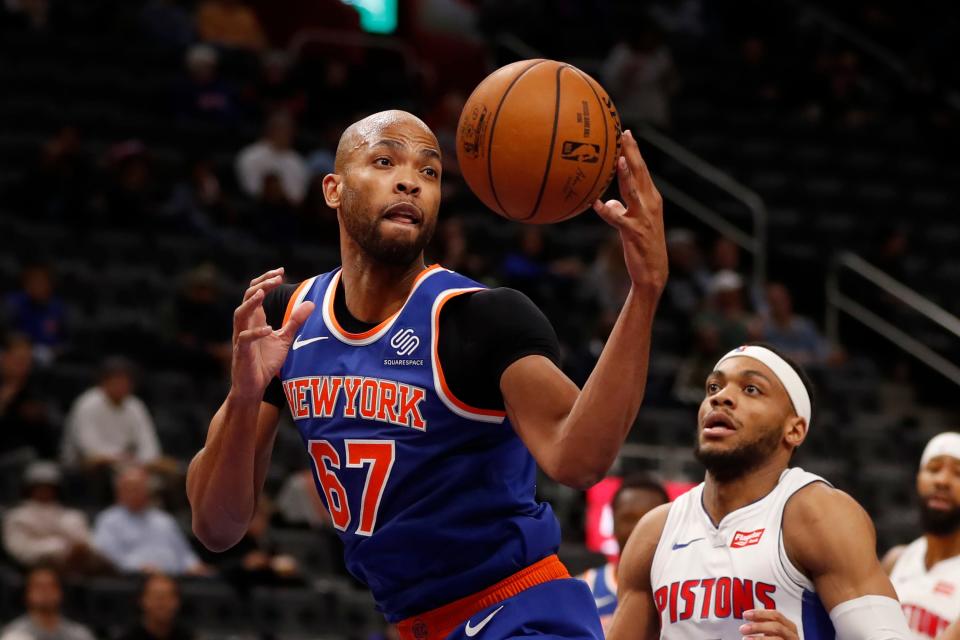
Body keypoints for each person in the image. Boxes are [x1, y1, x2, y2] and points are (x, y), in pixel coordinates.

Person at [187, 110, 668, 640]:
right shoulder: (290, 319)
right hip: (417, 626)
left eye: (430, 171)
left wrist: (643, 292)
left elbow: (579, 460)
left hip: (516, 614)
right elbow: (217, 527)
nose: (410, 180)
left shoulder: (478, 317)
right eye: (385, 160)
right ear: (333, 189)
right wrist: (244, 394)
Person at [608, 343, 911, 640]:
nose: (722, 398)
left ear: (794, 429)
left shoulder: (817, 513)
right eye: (714, 387)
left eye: (751, 389)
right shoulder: (655, 531)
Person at [881, 433, 960, 639]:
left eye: (958, 473)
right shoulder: (896, 560)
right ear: (918, 479)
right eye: (933, 469)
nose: (942, 481)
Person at [579, 475, 669, 632]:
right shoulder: (584, 589)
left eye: (649, 518)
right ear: (612, 523)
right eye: (628, 518)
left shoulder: (686, 590)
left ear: (670, 524)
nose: (639, 528)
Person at [93, 466, 208, 576]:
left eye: (139, 487)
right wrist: (138, 567)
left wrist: (194, 565)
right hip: (133, 580)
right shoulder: (108, 520)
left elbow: (184, 553)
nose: (135, 492)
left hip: (174, 580)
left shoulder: (164, 520)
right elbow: (107, 557)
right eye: (130, 488)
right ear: (119, 491)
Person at [2, 461, 107, 575]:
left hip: (78, 571)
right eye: (39, 487)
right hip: (35, 572)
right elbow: (21, 553)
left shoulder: (72, 516)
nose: (44, 491)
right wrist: (59, 546)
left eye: (49, 487)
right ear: (29, 488)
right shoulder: (17, 517)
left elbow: (90, 546)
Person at [60, 357, 162, 470]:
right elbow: (88, 449)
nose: (121, 386)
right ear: (104, 382)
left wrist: (141, 461)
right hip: (87, 465)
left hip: (130, 464)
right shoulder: (87, 403)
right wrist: (122, 459)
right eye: (116, 381)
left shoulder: (136, 405)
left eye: (125, 381)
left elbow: (149, 445)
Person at [0, 566, 95, 640]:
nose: (45, 591)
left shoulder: (79, 634)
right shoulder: (14, 634)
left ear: (60, 593)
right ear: (27, 594)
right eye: (39, 586)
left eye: (51, 586)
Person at [235, 110, 309, 205]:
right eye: (281, 129)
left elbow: (299, 196)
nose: (287, 134)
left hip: (291, 212)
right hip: (258, 210)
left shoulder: (297, 161)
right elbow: (250, 190)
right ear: (270, 129)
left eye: (290, 130)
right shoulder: (250, 156)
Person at [116, 573, 195, 640]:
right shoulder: (128, 636)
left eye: (169, 596)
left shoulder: (187, 636)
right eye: (156, 597)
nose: (162, 603)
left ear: (178, 602)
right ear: (141, 600)